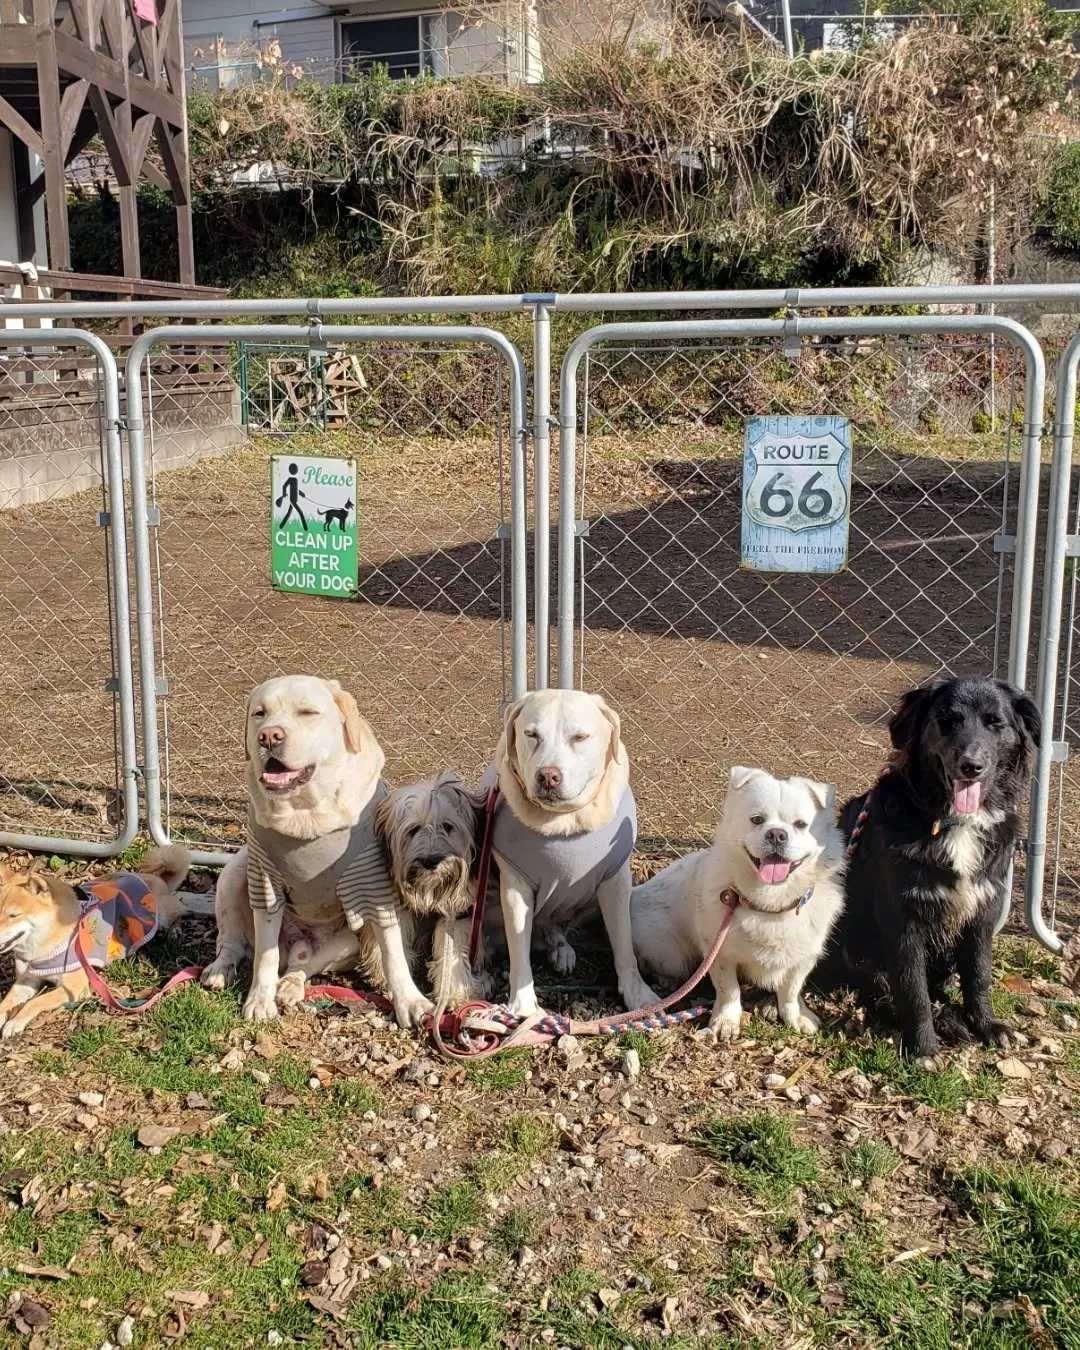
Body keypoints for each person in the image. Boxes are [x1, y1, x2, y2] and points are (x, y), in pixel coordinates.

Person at [276, 463, 308, 529]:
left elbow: (296, 489)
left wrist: (302, 494)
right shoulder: (290, 479)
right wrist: (284, 494)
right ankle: (305, 527)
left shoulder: (295, 480)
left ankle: (281, 526)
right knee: (301, 513)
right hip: (293, 500)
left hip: (294, 500)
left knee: (289, 513)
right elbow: (284, 486)